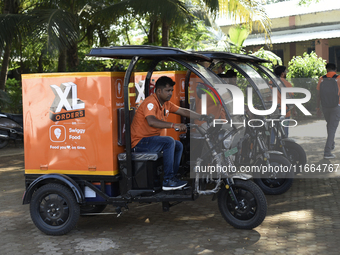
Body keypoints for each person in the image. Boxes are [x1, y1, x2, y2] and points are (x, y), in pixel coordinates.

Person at [130, 76, 204, 190]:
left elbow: (183, 111)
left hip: (151, 141)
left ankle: (173, 176)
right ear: (159, 91)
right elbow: (151, 121)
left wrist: (202, 117)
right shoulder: (151, 102)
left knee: (178, 145)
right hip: (140, 142)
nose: (170, 93)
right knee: (169, 141)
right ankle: (168, 180)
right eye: (168, 91)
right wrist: (173, 125)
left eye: (171, 91)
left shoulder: (166, 104)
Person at [316, 63, 340, 159]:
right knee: (332, 128)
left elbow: (318, 94)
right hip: (336, 106)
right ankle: (327, 151)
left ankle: (331, 142)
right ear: (335, 69)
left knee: (329, 125)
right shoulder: (339, 78)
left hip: (325, 106)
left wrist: (318, 108)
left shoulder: (321, 78)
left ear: (326, 70)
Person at [270, 65, 296, 145]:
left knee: (273, 131)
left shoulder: (270, 83)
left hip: (274, 111)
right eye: (285, 72)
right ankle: (284, 149)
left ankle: (270, 147)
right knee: (284, 132)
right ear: (282, 74)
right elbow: (291, 99)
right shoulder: (287, 84)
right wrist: (294, 111)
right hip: (285, 112)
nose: (286, 73)